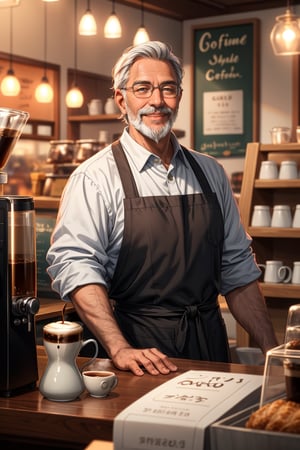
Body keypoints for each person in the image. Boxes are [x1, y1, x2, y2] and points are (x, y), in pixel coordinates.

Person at [46, 41, 278, 377]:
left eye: (168, 88)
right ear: (122, 99)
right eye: (143, 88)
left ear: (179, 97)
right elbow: (76, 266)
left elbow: (237, 269)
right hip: (137, 354)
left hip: (210, 348)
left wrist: (273, 351)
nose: (157, 101)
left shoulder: (210, 172)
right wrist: (119, 347)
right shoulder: (94, 178)